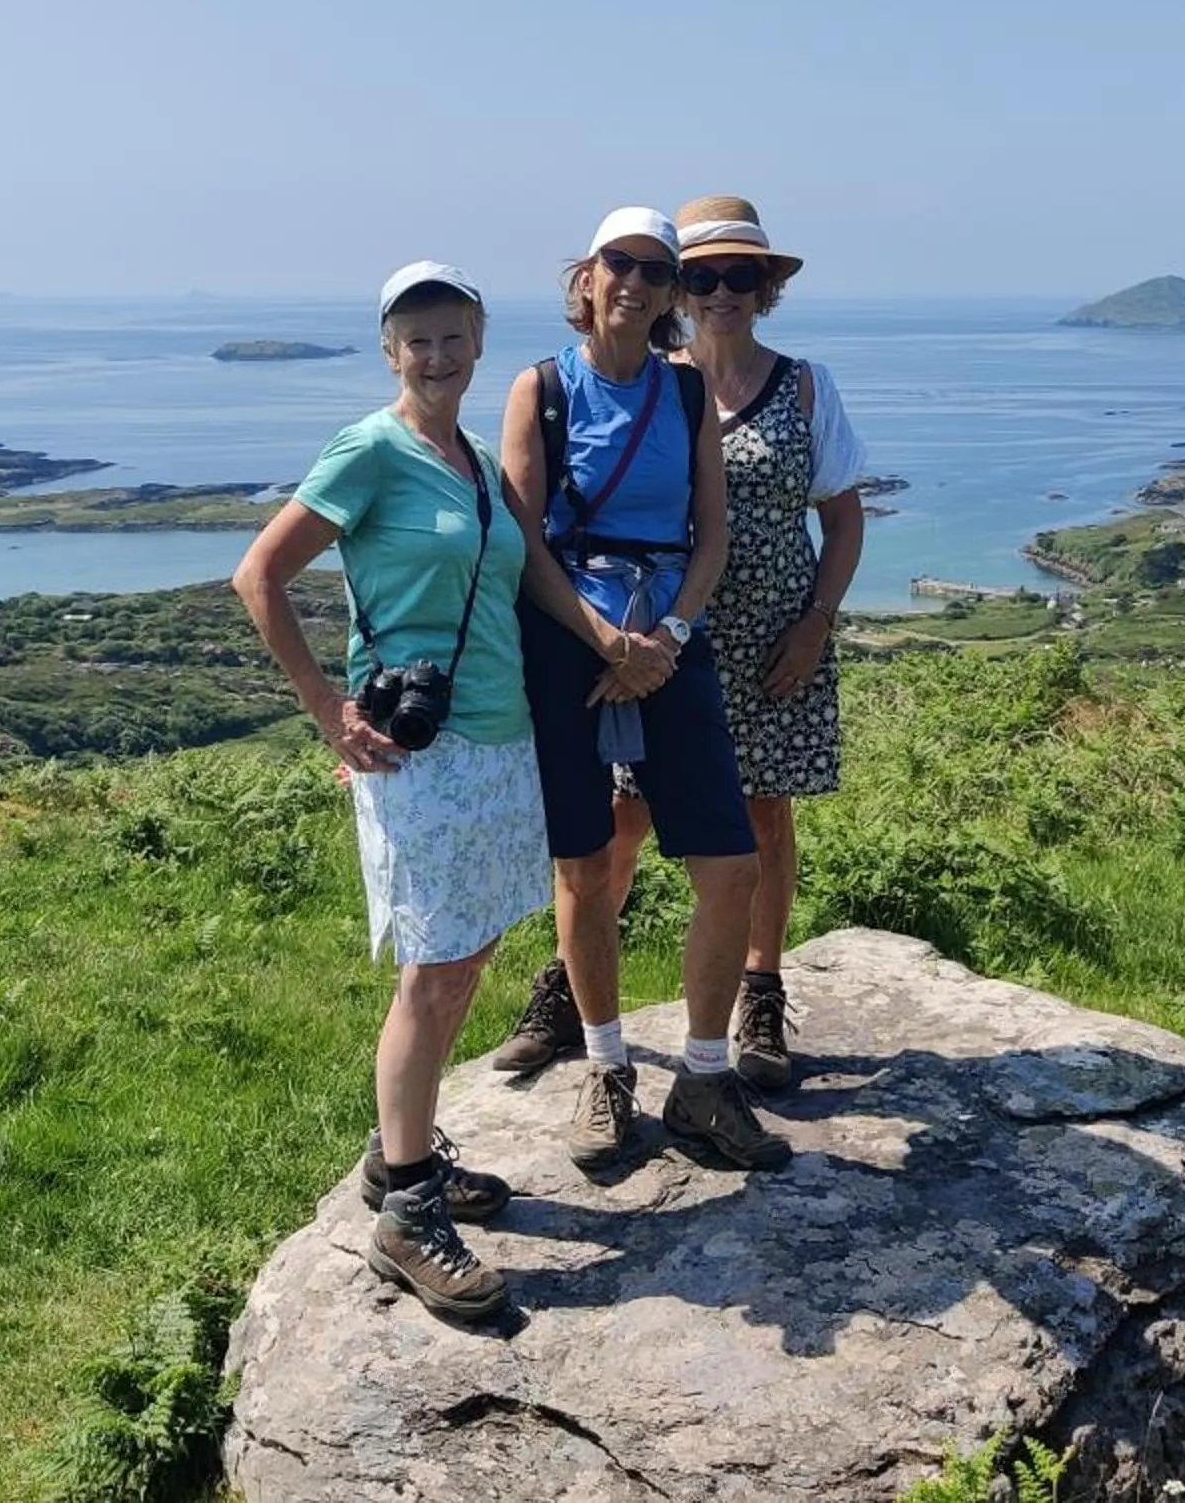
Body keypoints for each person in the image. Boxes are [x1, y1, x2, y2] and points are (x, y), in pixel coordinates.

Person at [232, 261, 549, 1322]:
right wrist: (330, 712)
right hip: (424, 754)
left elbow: (527, 571)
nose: (437, 353)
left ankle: (396, 1152)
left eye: (453, 334)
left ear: (478, 337)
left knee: (472, 952)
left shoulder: (468, 460)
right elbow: (259, 576)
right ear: (389, 350)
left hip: (501, 741)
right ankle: (408, 1217)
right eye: (416, 338)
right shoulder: (371, 449)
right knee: (433, 971)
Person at [488, 206, 791, 1173]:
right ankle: (607, 1067)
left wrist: (664, 636)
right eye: (622, 264)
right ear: (587, 277)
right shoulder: (539, 388)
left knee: (728, 863)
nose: (638, 283)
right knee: (583, 866)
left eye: (658, 273)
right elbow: (524, 539)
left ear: (669, 296)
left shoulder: (686, 392)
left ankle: (703, 1078)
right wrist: (603, 638)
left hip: (665, 631)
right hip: (571, 636)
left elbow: (712, 534)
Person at [626, 195, 866, 1089]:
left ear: (764, 288)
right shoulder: (653, 383)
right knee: (624, 813)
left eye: (740, 275)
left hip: (775, 637)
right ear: (676, 289)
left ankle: (760, 989)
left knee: (765, 813)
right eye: (701, 276)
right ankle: (576, 986)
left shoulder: (804, 386)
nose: (721, 291)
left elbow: (842, 521)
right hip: (663, 636)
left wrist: (816, 624)